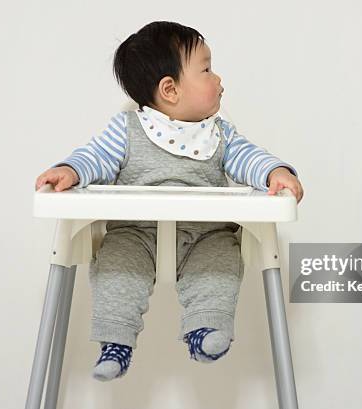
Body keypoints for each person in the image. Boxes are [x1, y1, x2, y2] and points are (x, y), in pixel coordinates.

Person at [35, 21, 304, 381]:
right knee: (117, 265)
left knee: (221, 262)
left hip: (205, 234)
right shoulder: (127, 129)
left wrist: (275, 173)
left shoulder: (220, 133)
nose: (219, 79)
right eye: (207, 69)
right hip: (136, 232)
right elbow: (95, 156)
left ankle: (204, 329)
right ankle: (115, 342)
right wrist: (70, 170)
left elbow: (248, 158)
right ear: (170, 89)